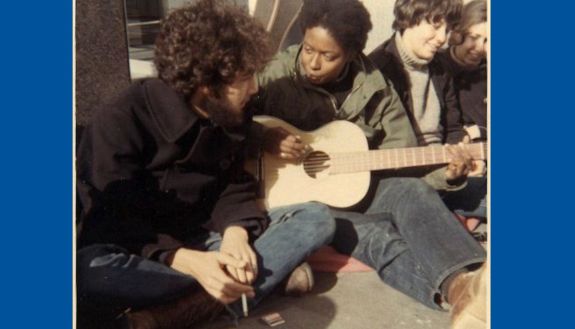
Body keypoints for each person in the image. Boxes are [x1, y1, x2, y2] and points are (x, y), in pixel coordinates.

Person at [75, 1, 335, 328]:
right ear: (206, 84)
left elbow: (231, 184)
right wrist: (186, 261)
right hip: (148, 252)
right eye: (245, 77)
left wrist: (236, 233)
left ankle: (175, 313)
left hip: (205, 236)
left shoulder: (228, 111)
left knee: (316, 218)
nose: (255, 87)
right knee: (88, 272)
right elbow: (111, 222)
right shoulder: (120, 120)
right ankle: (255, 279)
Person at [250, 0, 487, 327]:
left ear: (351, 54)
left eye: (327, 56)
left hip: (349, 187)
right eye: (307, 49)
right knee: (377, 237)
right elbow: (228, 118)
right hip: (293, 206)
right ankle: (454, 296)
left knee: (412, 191)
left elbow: (403, 152)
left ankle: (466, 290)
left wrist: (446, 173)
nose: (312, 64)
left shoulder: (374, 85)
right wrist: (262, 136)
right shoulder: (276, 73)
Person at [368, 0, 487, 224]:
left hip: (446, 173)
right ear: (409, 18)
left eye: (448, 29)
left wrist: (460, 157)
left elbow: (452, 128)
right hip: (408, 182)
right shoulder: (378, 70)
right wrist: (442, 177)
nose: (442, 37)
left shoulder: (440, 67)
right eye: (435, 25)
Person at [437, 0, 488, 142]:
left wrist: (477, 131)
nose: (478, 48)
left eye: (487, 41)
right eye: (473, 37)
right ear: (458, 33)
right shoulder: (436, 68)